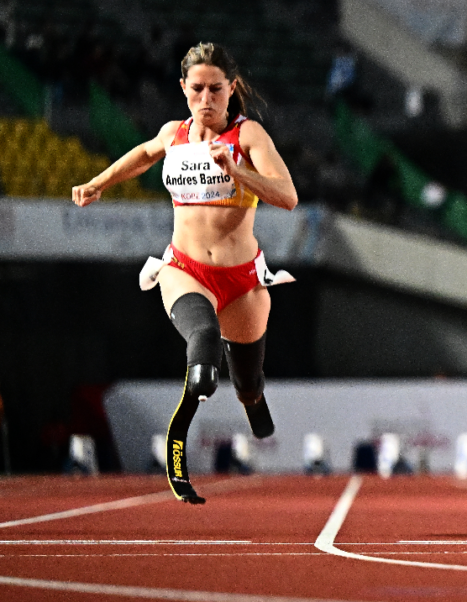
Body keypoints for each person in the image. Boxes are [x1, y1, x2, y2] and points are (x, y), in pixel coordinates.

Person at [71, 43, 298, 504]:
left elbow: (288, 196)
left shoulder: (248, 135)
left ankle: (253, 399)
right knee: (204, 350)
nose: (207, 99)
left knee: (247, 381)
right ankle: (178, 456)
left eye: (217, 89)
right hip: (185, 268)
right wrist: (98, 182)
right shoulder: (174, 132)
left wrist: (237, 172)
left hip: (242, 280)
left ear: (232, 89)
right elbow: (143, 153)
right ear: (183, 89)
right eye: (197, 89)